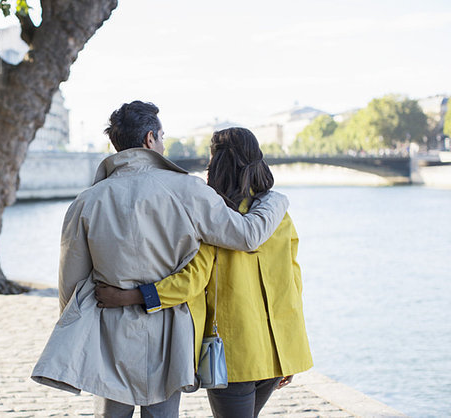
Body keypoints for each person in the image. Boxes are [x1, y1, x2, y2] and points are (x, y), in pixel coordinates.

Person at [31, 102, 290, 418]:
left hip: (108, 325)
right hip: (170, 330)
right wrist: (276, 200)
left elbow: (70, 281)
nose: (164, 144)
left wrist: (75, 331)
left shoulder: (87, 200)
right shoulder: (188, 189)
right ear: (151, 138)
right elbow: (246, 236)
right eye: (163, 136)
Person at [95, 127, 313, 418]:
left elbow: (192, 280)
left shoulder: (213, 216)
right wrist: (286, 354)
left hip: (233, 357)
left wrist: (134, 296)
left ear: (217, 164)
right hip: (277, 352)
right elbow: (293, 284)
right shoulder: (278, 216)